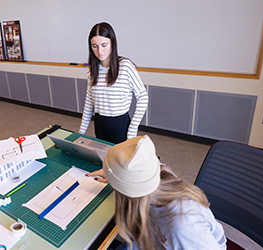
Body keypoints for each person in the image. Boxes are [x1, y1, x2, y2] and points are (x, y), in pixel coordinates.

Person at [87, 136, 226, 250]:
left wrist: (119, 178)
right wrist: (117, 176)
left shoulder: (182, 226)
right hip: (153, 240)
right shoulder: (160, 175)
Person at [79, 22, 148, 144]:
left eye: (104, 45)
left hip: (120, 125)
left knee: (120, 162)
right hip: (100, 123)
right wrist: (80, 133)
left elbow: (143, 97)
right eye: (95, 46)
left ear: (112, 43)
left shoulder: (125, 66)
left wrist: (132, 129)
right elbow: (89, 103)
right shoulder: (92, 70)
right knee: (103, 160)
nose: (100, 51)